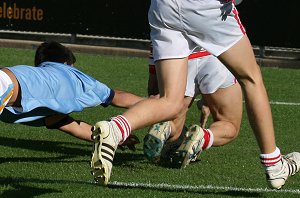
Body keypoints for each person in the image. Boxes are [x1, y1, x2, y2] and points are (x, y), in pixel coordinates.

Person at [90, 0, 300, 189]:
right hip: (204, 10)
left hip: (165, 7)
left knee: (171, 101)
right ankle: (274, 164)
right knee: (252, 79)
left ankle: (115, 129)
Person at [0, 41, 143, 150]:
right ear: (66, 62)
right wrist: (157, 106)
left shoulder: (47, 102)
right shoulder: (72, 75)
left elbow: (74, 127)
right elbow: (117, 97)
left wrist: (115, 136)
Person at [143, 46, 243, 169]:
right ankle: (202, 137)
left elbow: (153, 87)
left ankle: (167, 126)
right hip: (214, 54)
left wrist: (159, 114)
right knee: (229, 124)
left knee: (174, 121)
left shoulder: (160, 26)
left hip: (178, 57)